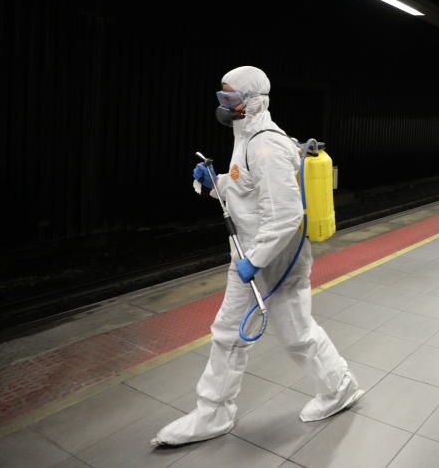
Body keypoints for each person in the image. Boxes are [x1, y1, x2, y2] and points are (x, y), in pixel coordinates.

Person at [153, 66, 360, 447]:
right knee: (228, 333)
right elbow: (243, 191)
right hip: (249, 256)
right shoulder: (245, 137)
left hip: (276, 260)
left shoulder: (266, 145)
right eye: (221, 97)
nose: (223, 104)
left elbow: (284, 216)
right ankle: (213, 411)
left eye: (230, 98)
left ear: (251, 102)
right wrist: (209, 183)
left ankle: (340, 387)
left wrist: (256, 260)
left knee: (296, 335)